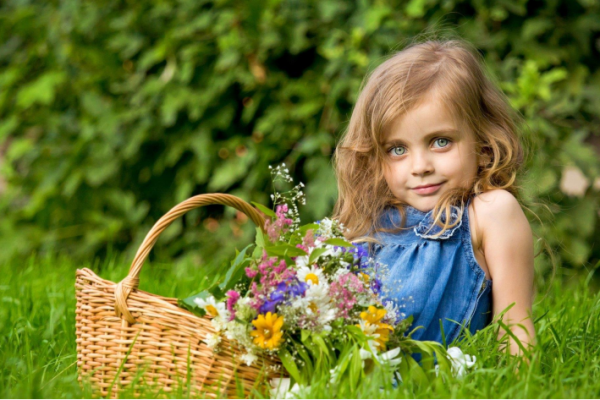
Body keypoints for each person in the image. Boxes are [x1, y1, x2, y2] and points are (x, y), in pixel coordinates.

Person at [332, 39, 535, 356]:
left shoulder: (489, 213)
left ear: (482, 144)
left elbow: (515, 328)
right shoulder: (373, 223)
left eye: (441, 142)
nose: (420, 167)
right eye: (397, 149)